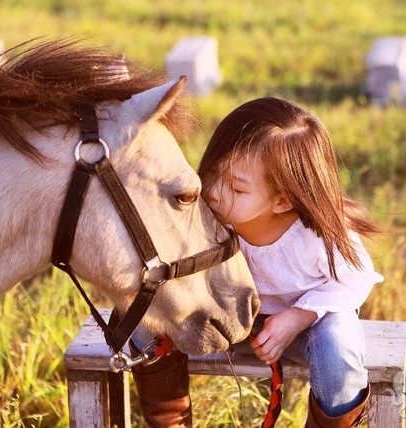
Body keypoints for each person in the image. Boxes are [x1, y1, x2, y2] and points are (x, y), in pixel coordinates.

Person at [130, 97, 384, 428]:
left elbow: (355, 280)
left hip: (304, 331)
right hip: (227, 323)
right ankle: (169, 421)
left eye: (237, 186)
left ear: (282, 201)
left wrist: (296, 317)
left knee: (339, 341)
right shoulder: (209, 216)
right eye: (213, 171)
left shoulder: (317, 236)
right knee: (141, 316)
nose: (216, 190)